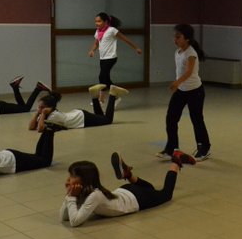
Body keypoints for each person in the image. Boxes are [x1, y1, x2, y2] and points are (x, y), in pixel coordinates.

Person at [60, 150, 195, 227]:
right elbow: (64, 217)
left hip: (137, 198)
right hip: (127, 191)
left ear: (85, 179)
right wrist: (70, 195)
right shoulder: (87, 191)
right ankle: (128, 175)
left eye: (72, 176)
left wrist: (71, 197)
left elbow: (74, 222)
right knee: (150, 188)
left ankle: (175, 162)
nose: (68, 179)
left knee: (166, 194)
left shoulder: (94, 195)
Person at [157, 24, 211, 161]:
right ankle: (171, 148)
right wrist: (178, 85)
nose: (175, 40)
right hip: (181, 91)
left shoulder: (191, 53)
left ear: (187, 39)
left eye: (178, 37)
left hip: (195, 92)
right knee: (171, 118)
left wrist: (176, 82)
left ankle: (204, 148)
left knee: (197, 120)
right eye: (174, 37)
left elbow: (189, 72)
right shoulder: (178, 52)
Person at [87, 12, 142, 104]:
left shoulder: (112, 30)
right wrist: (92, 50)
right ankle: (115, 96)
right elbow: (96, 43)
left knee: (102, 76)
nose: (97, 23)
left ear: (105, 22)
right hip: (103, 58)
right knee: (106, 78)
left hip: (111, 57)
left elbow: (125, 39)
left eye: (99, 21)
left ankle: (101, 98)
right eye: (95, 21)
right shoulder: (98, 31)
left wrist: (136, 48)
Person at [30, 84, 128, 131]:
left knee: (107, 120)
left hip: (82, 118)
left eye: (41, 107)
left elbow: (39, 129)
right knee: (101, 117)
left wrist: (42, 114)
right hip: (79, 115)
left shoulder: (53, 116)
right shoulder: (46, 114)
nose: (39, 109)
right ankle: (94, 95)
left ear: (49, 108)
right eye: (38, 107)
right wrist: (38, 113)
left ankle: (112, 94)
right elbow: (31, 127)